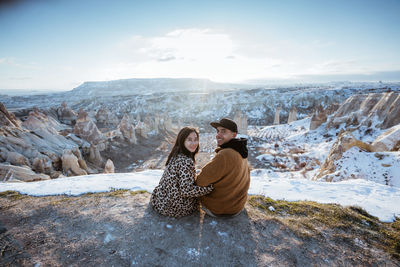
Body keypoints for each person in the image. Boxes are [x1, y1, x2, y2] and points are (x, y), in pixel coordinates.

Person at [150, 127, 213, 218]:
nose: (193, 143)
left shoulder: (175, 154)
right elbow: (186, 191)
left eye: (196, 139)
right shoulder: (186, 161)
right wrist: (207, 189)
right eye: (189, 140)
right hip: (177, 208)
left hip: (161, 201)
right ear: (182, 141)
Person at [195, 118, 250, 217]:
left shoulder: (225, 155)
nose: (218, 135)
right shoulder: (241, 150)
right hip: (238, 206)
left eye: (223, 131)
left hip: (220, 209)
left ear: (233, 135)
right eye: (218, 131)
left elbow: (200, 181)